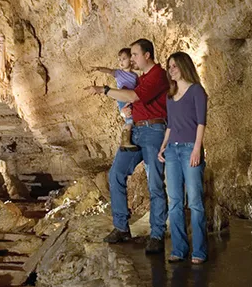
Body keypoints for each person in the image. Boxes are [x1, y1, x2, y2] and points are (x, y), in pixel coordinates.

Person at [86, 38, 169, 254]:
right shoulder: (141, 78)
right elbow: (133, 99)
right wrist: (126, 110)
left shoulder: (158, 75)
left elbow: (133, 96)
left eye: (134, 54)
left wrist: (104, 90)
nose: (131, 59)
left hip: (153, 131)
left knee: (155, 182)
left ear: (147, 55)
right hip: (136, 132)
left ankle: (157, 234)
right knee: (116, 173)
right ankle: (121, 227)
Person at [157, 51, 208, 264]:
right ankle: (179, 248)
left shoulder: (197, 91)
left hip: (189, 149)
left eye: (174, 66)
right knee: (175, 201)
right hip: (172, 151)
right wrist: (162, 147)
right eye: (169, 67)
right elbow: (170, 126)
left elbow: (201, 122)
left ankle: (199, 251)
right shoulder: (170, 95)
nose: (171, 70)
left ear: (184, 67)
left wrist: (197, 149)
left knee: (195, 201)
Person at [91, 48, 139, 150]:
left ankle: (128, 139)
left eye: (124, 59)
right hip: (122, 98)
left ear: (131, 59)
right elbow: (109, 71)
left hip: (131, 99)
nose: (121, 61)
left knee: (132, 119)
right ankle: (125, 141)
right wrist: (99, 68)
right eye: (119, 59)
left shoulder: (135, 76)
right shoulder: (118, 73)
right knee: (129, 120)